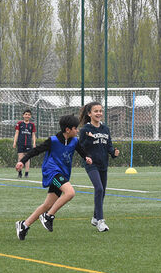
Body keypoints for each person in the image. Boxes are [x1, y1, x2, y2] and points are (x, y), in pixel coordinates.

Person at [15, 114, 92, 240]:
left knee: (47, 204)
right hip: (52, 171)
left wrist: (87, 157)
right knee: (70, 193)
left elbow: (82, 151)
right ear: (68, 130)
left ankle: (24, 225)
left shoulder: (74, 141)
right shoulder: (53, 141)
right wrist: (22, 161)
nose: (77, 131)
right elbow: (36, 151)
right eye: (75, 128)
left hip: (62, 173)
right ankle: (48, 216)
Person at [79, 102, 119, 232]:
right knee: (99, 188)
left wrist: (113, 152)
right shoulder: (85, 130)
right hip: (91, 164)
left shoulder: (105, 129)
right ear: (89, 114)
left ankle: (95, 217)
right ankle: (101, 221)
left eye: (100, 111)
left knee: (102, 192)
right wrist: (89, 140)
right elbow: (81, 147)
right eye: (95, 111)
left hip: (103, 164)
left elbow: (109, 146)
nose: (99, 113)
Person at [13, 109, 36, 178]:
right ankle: (19, 173)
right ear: (23, 115)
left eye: (28, 115)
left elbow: (33, 135)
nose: (27, 116)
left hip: (29, 144)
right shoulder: (19, 123)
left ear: (30, 116)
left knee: (27, 159)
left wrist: (34, 143)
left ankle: (26, 173)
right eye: (26, 114)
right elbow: (16, 133)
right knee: (20, 158)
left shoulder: (32, 125)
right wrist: (14, 142)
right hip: (21, 143)